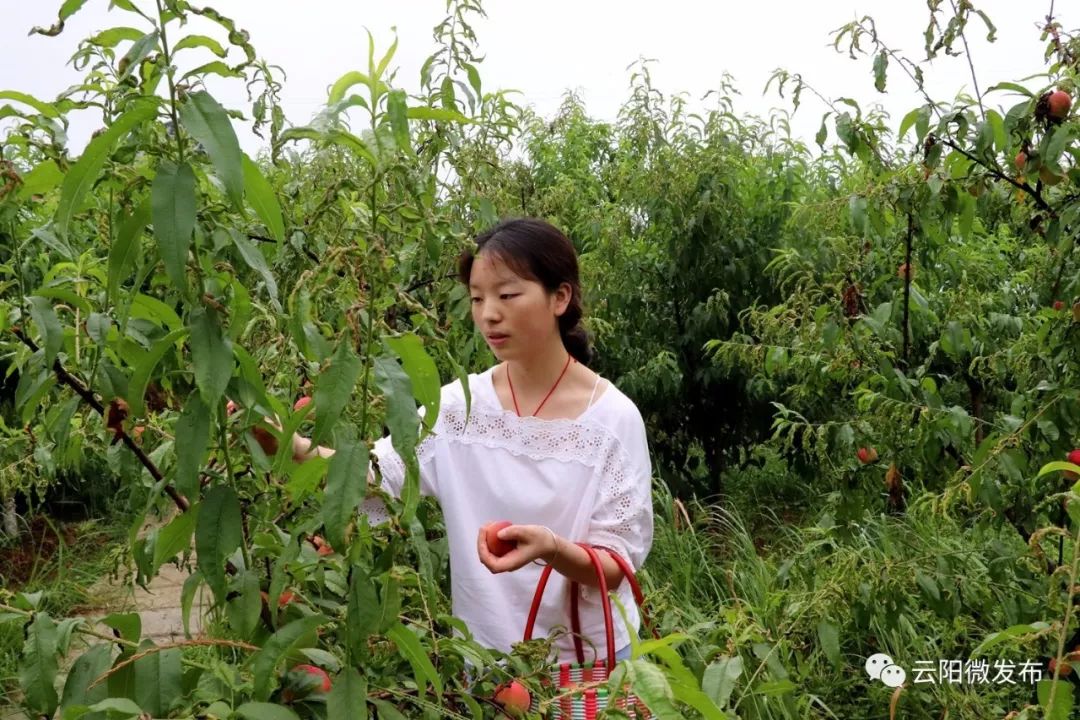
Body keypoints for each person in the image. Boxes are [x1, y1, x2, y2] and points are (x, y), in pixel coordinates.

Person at [265, 217, 654, 665]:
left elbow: (617, 563)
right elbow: (377, 477)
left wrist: (551, 548)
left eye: (507, 295)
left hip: (588, 661)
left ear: (560, 297)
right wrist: (289, 444)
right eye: (476, 298)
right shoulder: (459, 407)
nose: (489, 313)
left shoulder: (611, 419)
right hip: (486, 663)